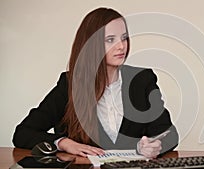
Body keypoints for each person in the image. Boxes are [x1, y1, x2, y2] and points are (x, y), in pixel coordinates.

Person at [12, 7, 178, 158]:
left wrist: (155, 146)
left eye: (124, 38)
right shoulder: (70, 84)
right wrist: (64, 143)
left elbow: (169, 134)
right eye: (110, 39)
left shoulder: (142, 80)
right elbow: (23, 133)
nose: (121, 46)